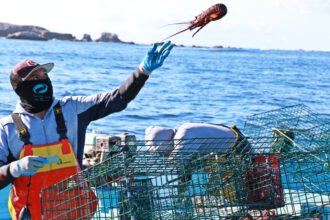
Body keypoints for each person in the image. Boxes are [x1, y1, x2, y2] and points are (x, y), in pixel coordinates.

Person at [0, 41, 173, 220]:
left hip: (76, 214)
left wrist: (143, 71)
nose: (42, 80)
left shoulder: (72, 109)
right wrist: (15, 168)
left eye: (44, 75)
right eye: (34, 79)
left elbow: (115, 99)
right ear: (19, 87)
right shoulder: (7, 128)